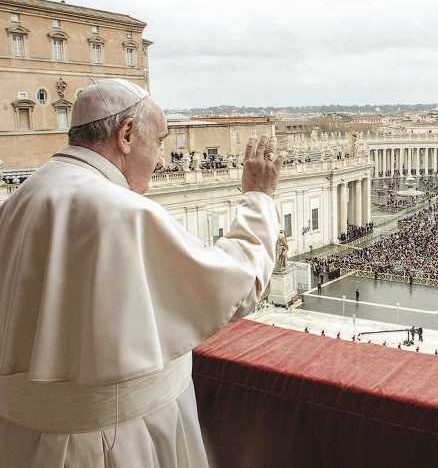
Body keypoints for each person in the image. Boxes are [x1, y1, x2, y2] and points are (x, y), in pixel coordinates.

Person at [0, 80, 285, 468]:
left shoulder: (20, 198)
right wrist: (259, 198)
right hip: (116, 444)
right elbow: (238, 284)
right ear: (127, 135)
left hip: (20, 440)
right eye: (162, 141)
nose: (163, 160)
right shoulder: (124, 211)